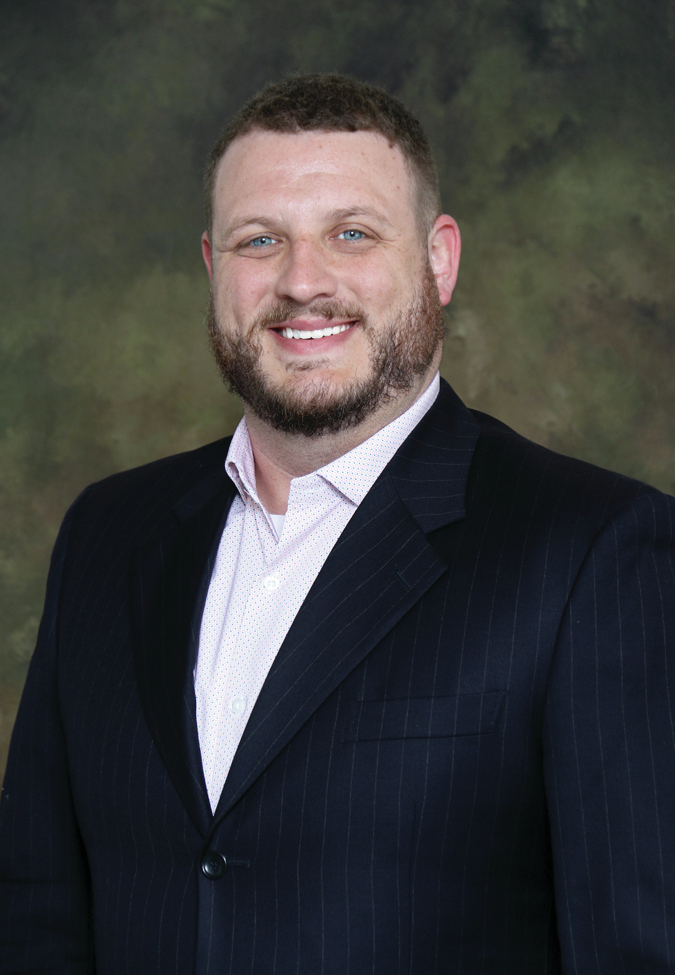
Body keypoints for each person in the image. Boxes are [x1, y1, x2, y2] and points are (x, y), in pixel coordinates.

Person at [1, 73, 674, 975]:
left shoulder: (595, 549)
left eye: (351, 234)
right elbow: (37, 913)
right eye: (259, 239)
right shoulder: (106, 533)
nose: (301, 282)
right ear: (211, 266)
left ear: (438, 260)